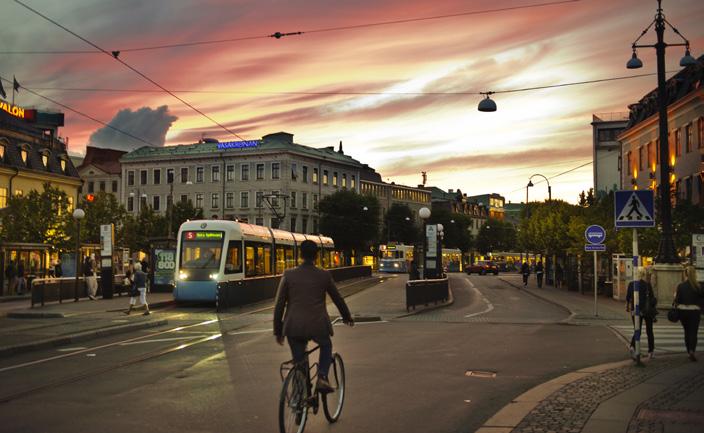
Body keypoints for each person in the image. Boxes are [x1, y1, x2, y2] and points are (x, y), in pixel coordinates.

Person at [273, 240, 354, 393]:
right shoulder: (324, 275)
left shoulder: (289, 275)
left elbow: (279, 305)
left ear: (300, 254)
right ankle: (322, 377)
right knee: (326, 345)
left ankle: (300, 395)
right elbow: (337, 299)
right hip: (317, 326)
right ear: (316, 256)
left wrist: (278, 331)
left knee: (299, 361)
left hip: (293, 326)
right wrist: (347, 316)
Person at [626, 267, 657, 360]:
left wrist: (627, 306)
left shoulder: (631, 284)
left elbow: (628, 298)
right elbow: (652, 298)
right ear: (644, 274)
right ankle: (651, 352)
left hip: (636, 311)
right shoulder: (647, 285)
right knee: (649, 331)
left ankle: (632, 346)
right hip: (647, 311)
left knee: (637, 330)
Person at [674, 265, 702, 362]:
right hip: (694, 312)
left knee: (687, 331)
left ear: (685, 274)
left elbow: (677, 300)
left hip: (683, 312)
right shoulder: (698, 286)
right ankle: (692, 350)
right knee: (693, 332)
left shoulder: (681, 286)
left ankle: (688, 350)